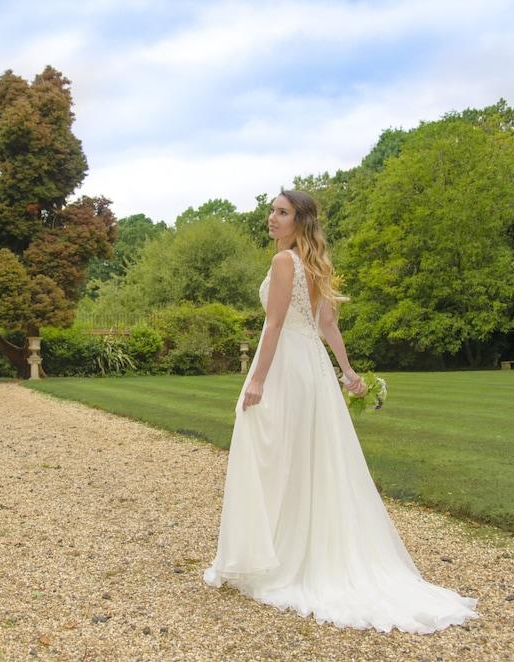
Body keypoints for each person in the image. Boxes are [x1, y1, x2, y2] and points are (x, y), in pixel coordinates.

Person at [202, 190, 479, 634]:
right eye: (272, 210)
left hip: (288, 365)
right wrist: (347, 373)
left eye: (281, 212)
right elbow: (327, 326)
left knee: (269, 452)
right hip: (311, 367)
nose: (271, 217)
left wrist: (256, 380)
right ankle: (293, 548)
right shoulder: (316, 264)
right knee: (310, 458)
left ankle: (275, 554)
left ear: (299, 220)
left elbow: (274, 324)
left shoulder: (284, 263)